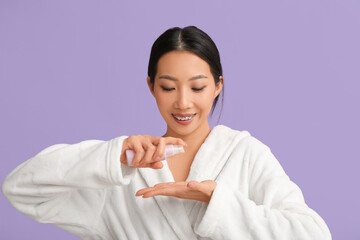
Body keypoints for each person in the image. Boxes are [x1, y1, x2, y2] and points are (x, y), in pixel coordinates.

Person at [1, 25, 332, 240]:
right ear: (151, 87)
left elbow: (313, 235)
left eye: (198, 87)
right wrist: (111, 157)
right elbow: (20, 188)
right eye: (169, 87)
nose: (183, 103)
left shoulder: (246, 155)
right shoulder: (123, 170)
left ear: (217, 86)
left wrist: (216, 201)